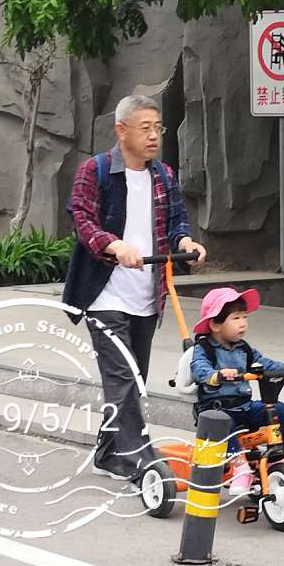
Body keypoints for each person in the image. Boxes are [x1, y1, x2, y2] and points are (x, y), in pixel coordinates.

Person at [63, 94, 206, 482]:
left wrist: (185, 243)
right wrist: (114, 245)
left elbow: (176, 222)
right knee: (123, 378)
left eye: (157, 128)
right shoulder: (94, 171)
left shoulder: (163, 175)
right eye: (145, 128)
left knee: (132, 380)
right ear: (121, 130)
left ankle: (109, 453)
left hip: (147, 295)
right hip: (104, 294)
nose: (154, 136)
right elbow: (83, 221)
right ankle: (141, 460)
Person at [189, 286, 284, 448]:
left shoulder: (243, 349)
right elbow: (198, 368)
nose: (243, 323)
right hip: (217, 409)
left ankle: (279, 453)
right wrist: (217, 375)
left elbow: (264, 363)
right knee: (224, 424)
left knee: (278, 410)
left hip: (244, 406)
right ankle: (236, 463)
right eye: (236, 318)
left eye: (245, 317)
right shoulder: (204, 348)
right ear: (216, 325)